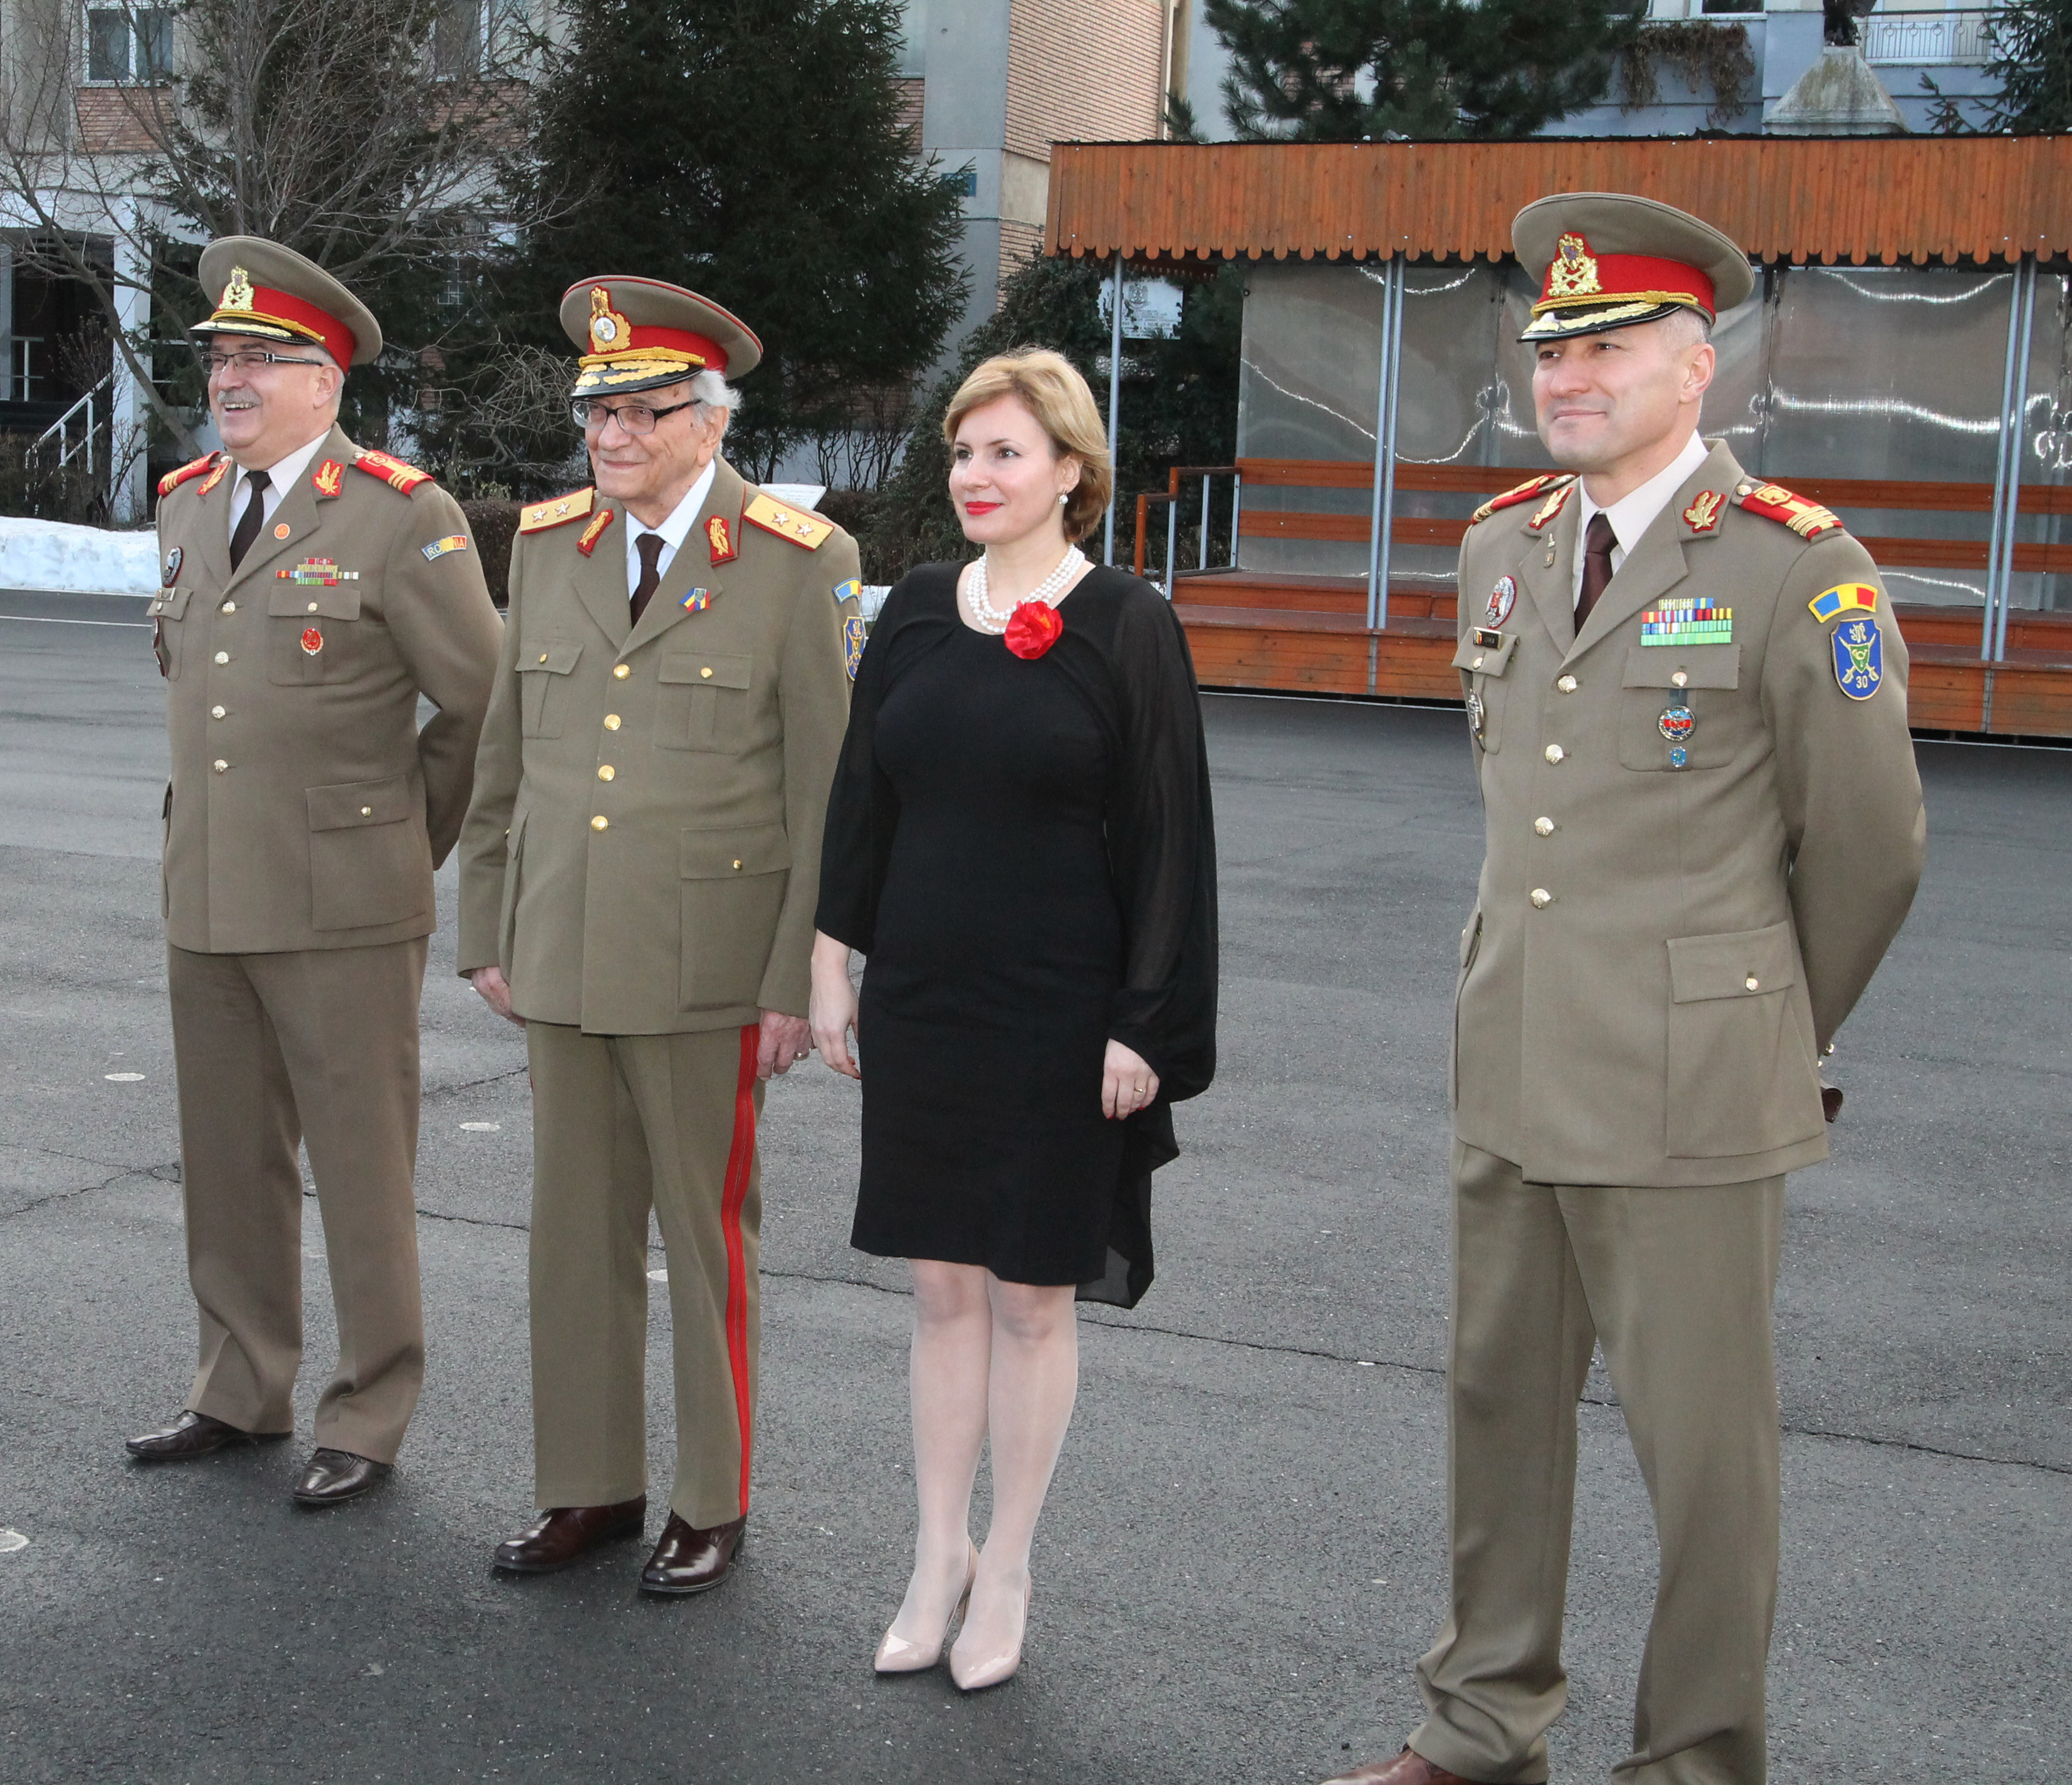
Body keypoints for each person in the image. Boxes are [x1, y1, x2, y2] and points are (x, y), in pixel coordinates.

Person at [1326, 194, 1925, 1785]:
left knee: (1703, 1457)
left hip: (1691, 1087)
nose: (1567, 375)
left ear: (1694, 366)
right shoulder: (1501, 545)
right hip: (1516, 1055)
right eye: (1550, 347)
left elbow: (1869, 847)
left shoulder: (1804, 571)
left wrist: (1767, 1025)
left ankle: (1698, 1758)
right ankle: (1478, 1725)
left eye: (1603, 346)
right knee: (1495, 1415)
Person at [808, 349, 1218, 1690]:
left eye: (1005, 454)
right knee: (939, 1288)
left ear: (1071, 473)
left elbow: (1169, 841)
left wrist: (1144, 1027)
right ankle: (936, 1553)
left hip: (1062, 1010)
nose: (975, 477)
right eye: (963, 452)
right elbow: (863, 800)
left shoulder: (1125, 622)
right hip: (925, 996)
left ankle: (1014, 1560)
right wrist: (830, 961)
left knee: (1035, 1296)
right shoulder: (918, 608)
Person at [456, 276, 859, 1595]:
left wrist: (804, 969)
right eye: (597, 409)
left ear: (709, 417)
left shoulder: (801, 561)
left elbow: (825, 790)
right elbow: (505, 755)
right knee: (571, 1232)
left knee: (704, 1238)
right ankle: (590, 1481)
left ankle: (709, 1496)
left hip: (706, 964)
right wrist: (488, 921)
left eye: (640, 410)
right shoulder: (545, 544)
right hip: (564, 950)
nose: (610, 435)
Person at [123, 239, 501, 1506]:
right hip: (211, 888)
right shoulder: (185, 499)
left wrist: (404, 832)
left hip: (342, 901)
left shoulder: (399, 513)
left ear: (325, 381)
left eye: (260, 360)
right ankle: (237, 1384)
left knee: (359, 1164)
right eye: (221, 358)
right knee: (228, 1158)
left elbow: (481, 704)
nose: (231, 380)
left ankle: (372, 1407)